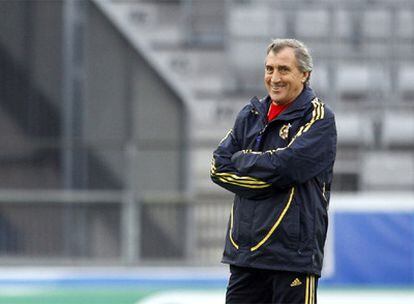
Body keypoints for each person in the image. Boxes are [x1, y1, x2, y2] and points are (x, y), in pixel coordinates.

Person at [210, 39, 337, 304]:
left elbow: (288, 165)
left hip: (292, 257)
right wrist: (273, 183)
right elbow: (218, 167)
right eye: (269, 69)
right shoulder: (250, 114)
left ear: (305, 75)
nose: (274, 78)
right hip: (246, 253)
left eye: (283, 69)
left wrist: (244, 158)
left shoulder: (319, 118)